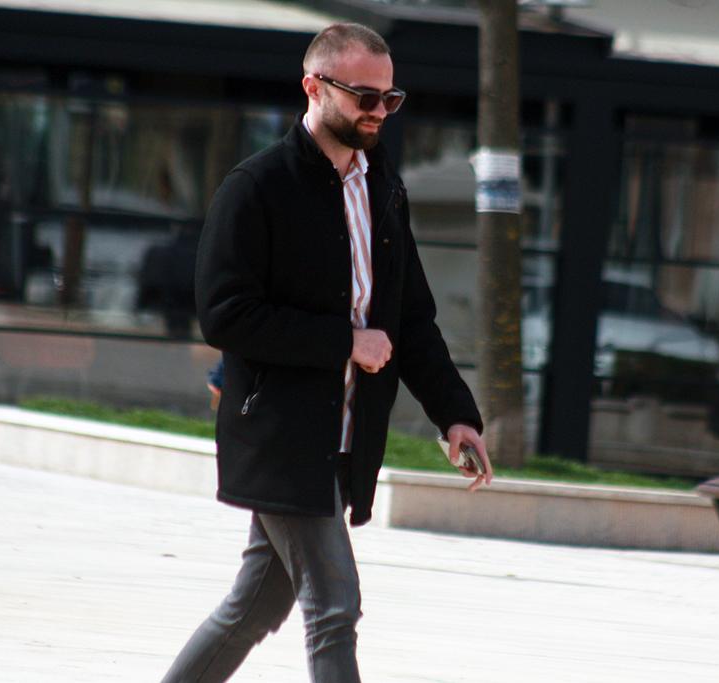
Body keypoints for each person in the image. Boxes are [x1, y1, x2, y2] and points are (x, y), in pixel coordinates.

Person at [160, 22, 493, 683]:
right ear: (314, 87)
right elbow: (225, 314)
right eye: (364, 97)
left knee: (253, 607)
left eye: (390, 98)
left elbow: (410, 318)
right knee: (335, 608)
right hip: (280, 434)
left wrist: (455, 414)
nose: (379, 111)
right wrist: (345, 341)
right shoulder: (257, 187)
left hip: (345, 437)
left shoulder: (382, 186)